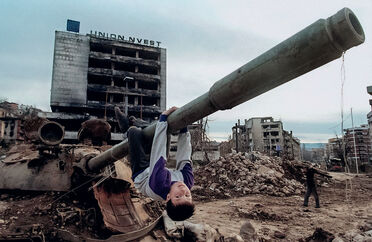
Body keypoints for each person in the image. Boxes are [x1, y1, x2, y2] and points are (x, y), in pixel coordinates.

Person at [115, 106, 195, 221]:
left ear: (168, 197)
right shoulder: (187, 181)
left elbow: (159, 154)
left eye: (178, 196)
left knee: (135, 133)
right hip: (160, 170)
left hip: (142, 174)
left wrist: (163, 117)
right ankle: (134, 121)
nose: (183, 191)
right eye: (188, 195)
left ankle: (127, 127)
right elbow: (184, 155)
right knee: (164, 131)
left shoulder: (159, 184)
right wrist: (184, 128)